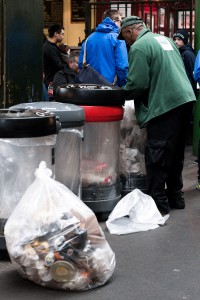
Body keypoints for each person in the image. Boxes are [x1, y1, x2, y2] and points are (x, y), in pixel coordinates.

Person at [118, 16, 196, 214]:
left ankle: (158, 203)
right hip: (185, 99)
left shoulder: (140, 46)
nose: (126, 43)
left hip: (166, 103)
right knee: (176, 151)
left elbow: (137, 84)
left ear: (129, 32)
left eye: (125, 38)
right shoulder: (166, 40)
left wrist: (119, 95)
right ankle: (175, 196)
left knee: (157, 152)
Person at [78, 9, 128, 87]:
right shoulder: (118, 39)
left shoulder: (89, 39)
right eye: (120, 22)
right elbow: (122, 66)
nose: (121, 25)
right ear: (115, 21)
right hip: (110, 86)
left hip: (89, 86)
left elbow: (81, 64)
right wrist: (123, 85)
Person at [173, 29, 197, 95]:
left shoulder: (187, 54)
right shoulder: (178, 52)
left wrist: (194, 91)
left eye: (179, 39)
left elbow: (193, 73)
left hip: (187, 92)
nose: (176, 42)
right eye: (174, 39)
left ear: (185, 40)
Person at [43, 24, 65, 88]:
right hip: (51, 82)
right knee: (51, 97)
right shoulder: (49, 48)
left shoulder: (51, 46)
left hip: (52, 80)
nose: (63, 37)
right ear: (56, 34)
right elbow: (58, 65)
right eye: (62, 34)